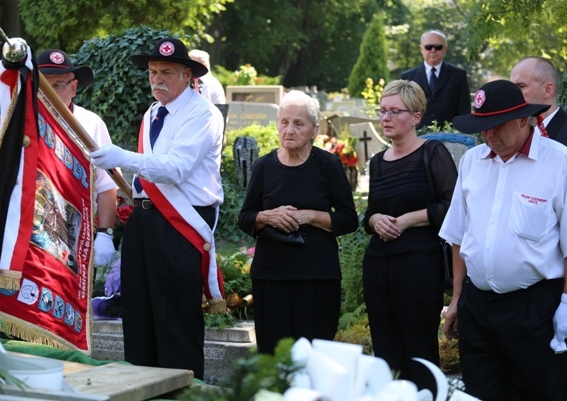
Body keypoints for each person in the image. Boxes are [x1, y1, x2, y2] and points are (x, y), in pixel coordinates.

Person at [90, 37, 225, 380]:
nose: (156, 78)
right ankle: (140, 386)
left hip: (180, 223)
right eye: (152, 71)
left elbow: (175, 168)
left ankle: (182, 390)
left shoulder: (203, 114)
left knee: (175, 319)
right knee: (139, 314)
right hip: (145, 220)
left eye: (166, 71)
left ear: (187, 75)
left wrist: (123, 158)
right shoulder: (153, 112)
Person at [440, 79, 567, 401]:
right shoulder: (472, 161)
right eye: (482, 128)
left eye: (496, 126)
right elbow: (458, 235)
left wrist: (564, 307)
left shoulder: (559, 162)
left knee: (539, 393)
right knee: (481, 393)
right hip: (478, 306)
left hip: (534, 307)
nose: (488, 135)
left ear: (524, 119)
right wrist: (457, 299)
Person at [237, 90, 359, 355]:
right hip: (271, 277)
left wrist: (309, 216)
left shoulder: (328, 165)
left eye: (298, 124)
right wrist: (267, 216)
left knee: (314, 357)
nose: (289, 130)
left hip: (317, 277)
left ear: (315, 130)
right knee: (273, 356)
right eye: (284, 122)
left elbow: (349, 219)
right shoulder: (264, 167)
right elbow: (245, 217)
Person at [362, 80, 457, 379]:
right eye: (382, 111)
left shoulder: (433, 153)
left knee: (420, 352)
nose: (385, 118)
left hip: (418, 266)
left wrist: (407, 219)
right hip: (378, 265)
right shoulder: (377, 162)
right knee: (386, 353)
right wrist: (375, 220)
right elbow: (370, 212)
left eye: (394, 111)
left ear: (416, 116)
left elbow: (453, 207)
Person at [36, 49, 118, 268]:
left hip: (77, 233)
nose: (49, 93)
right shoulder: (20, 122)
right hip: (32, 230)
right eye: (43, 85)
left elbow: (107, 184)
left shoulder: (91, 123)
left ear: (73, 87)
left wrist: (105, 234)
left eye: (58, 85)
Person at [400, 30, 471, 129]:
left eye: (438, 47)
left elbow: (464, 111)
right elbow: (404, 110)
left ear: (445, 49)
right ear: (421, 49)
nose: (433, 50)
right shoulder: (407, 77)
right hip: (417, 136)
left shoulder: (459, 75)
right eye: (428, 47)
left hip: (451, 137)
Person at [510, 56, 567, 145]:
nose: (513, 93)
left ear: (547, 90)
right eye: (512, 88)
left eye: (521, 86)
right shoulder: (510, 135)